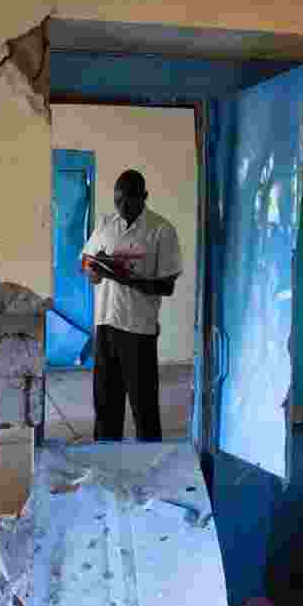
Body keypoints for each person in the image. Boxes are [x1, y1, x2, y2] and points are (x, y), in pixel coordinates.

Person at [80, 169, 182, 442]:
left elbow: (167, 286)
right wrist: (97, 270)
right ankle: (105, 466)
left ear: (144, 197)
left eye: (128, 201)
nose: (122, 207)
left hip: (138, 330)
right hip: (105, 325)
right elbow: (86, 267)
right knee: (105, 405)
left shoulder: (161, 230)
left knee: (144, 407)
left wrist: (125, 278)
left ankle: (150, 472)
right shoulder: (104, 225)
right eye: (118, 201)